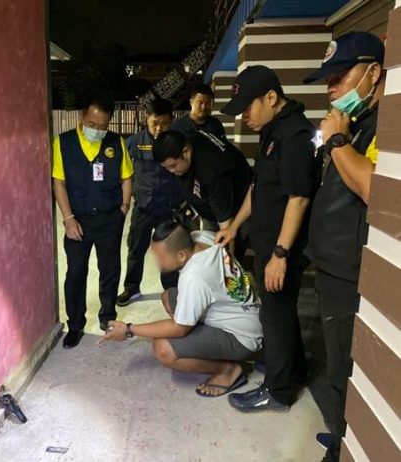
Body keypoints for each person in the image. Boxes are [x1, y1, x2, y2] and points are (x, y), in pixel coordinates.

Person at [217, 65, 320, 413]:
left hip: (281, 249)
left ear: (271, 98)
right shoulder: (272, 131)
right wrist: (234, 226)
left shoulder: (295, 136)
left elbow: (299, 198)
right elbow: (258, 186)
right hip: (266, 243)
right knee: (281, 315)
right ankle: (292, 371)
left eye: (248, 107)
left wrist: (280, 254)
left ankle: (276, 392)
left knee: (274, 319)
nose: (244, 116)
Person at [302, 32, 385, 462]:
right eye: (328, 81)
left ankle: (343, 449)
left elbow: (376, 189)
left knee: (344, 372)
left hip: (351, 273)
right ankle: (341, 438)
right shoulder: (359, 122)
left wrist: (337, 141)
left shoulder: (384, 125)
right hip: (334, 267)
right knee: (338, 362)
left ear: (373, 72)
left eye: (339, 78)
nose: (331, 90)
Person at [98, 221, 262, 397]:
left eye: (161, 258)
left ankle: (227, 370)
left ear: (182, 255)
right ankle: (203, 343)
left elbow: (179, 328)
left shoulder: (193, 277)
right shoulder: (202, 237)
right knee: (169, 297)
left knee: (163, 349)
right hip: (249, 313)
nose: (158, 263)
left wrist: (129, 329)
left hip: (242, 336)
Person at [52, 95, 134, 349]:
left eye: (103, 126)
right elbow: (59, 182)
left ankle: (107, 317)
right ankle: (75, 324)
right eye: (92, 124)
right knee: (76, 272)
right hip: (78, 221)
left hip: (110, 219)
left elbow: (127, 176)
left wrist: (124, 208)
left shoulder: (116, 142)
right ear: (82, 117)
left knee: (110, 270)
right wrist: (68, 219)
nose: (97, 130)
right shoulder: (64, 142)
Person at [117, 99, 183, 307]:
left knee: (169, 251)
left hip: (168, 209)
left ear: (171, 121)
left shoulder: (177, 142)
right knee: (135, 249)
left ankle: (172, 290)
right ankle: (132, 288)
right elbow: (122, 169)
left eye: (164, 123)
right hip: (143, 208)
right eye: (154, 123)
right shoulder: (135, 141)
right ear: (147, 120)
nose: (158, 128)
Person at [153, 130, 251, 238]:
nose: (171, 171)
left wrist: (225, 245)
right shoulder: (188, 140)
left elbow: (226, 227)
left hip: (240, 211)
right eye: (167, 168)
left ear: (186, 152)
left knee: (227, 240)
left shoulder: (213, 170)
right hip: (209, 207)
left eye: (173, 166)